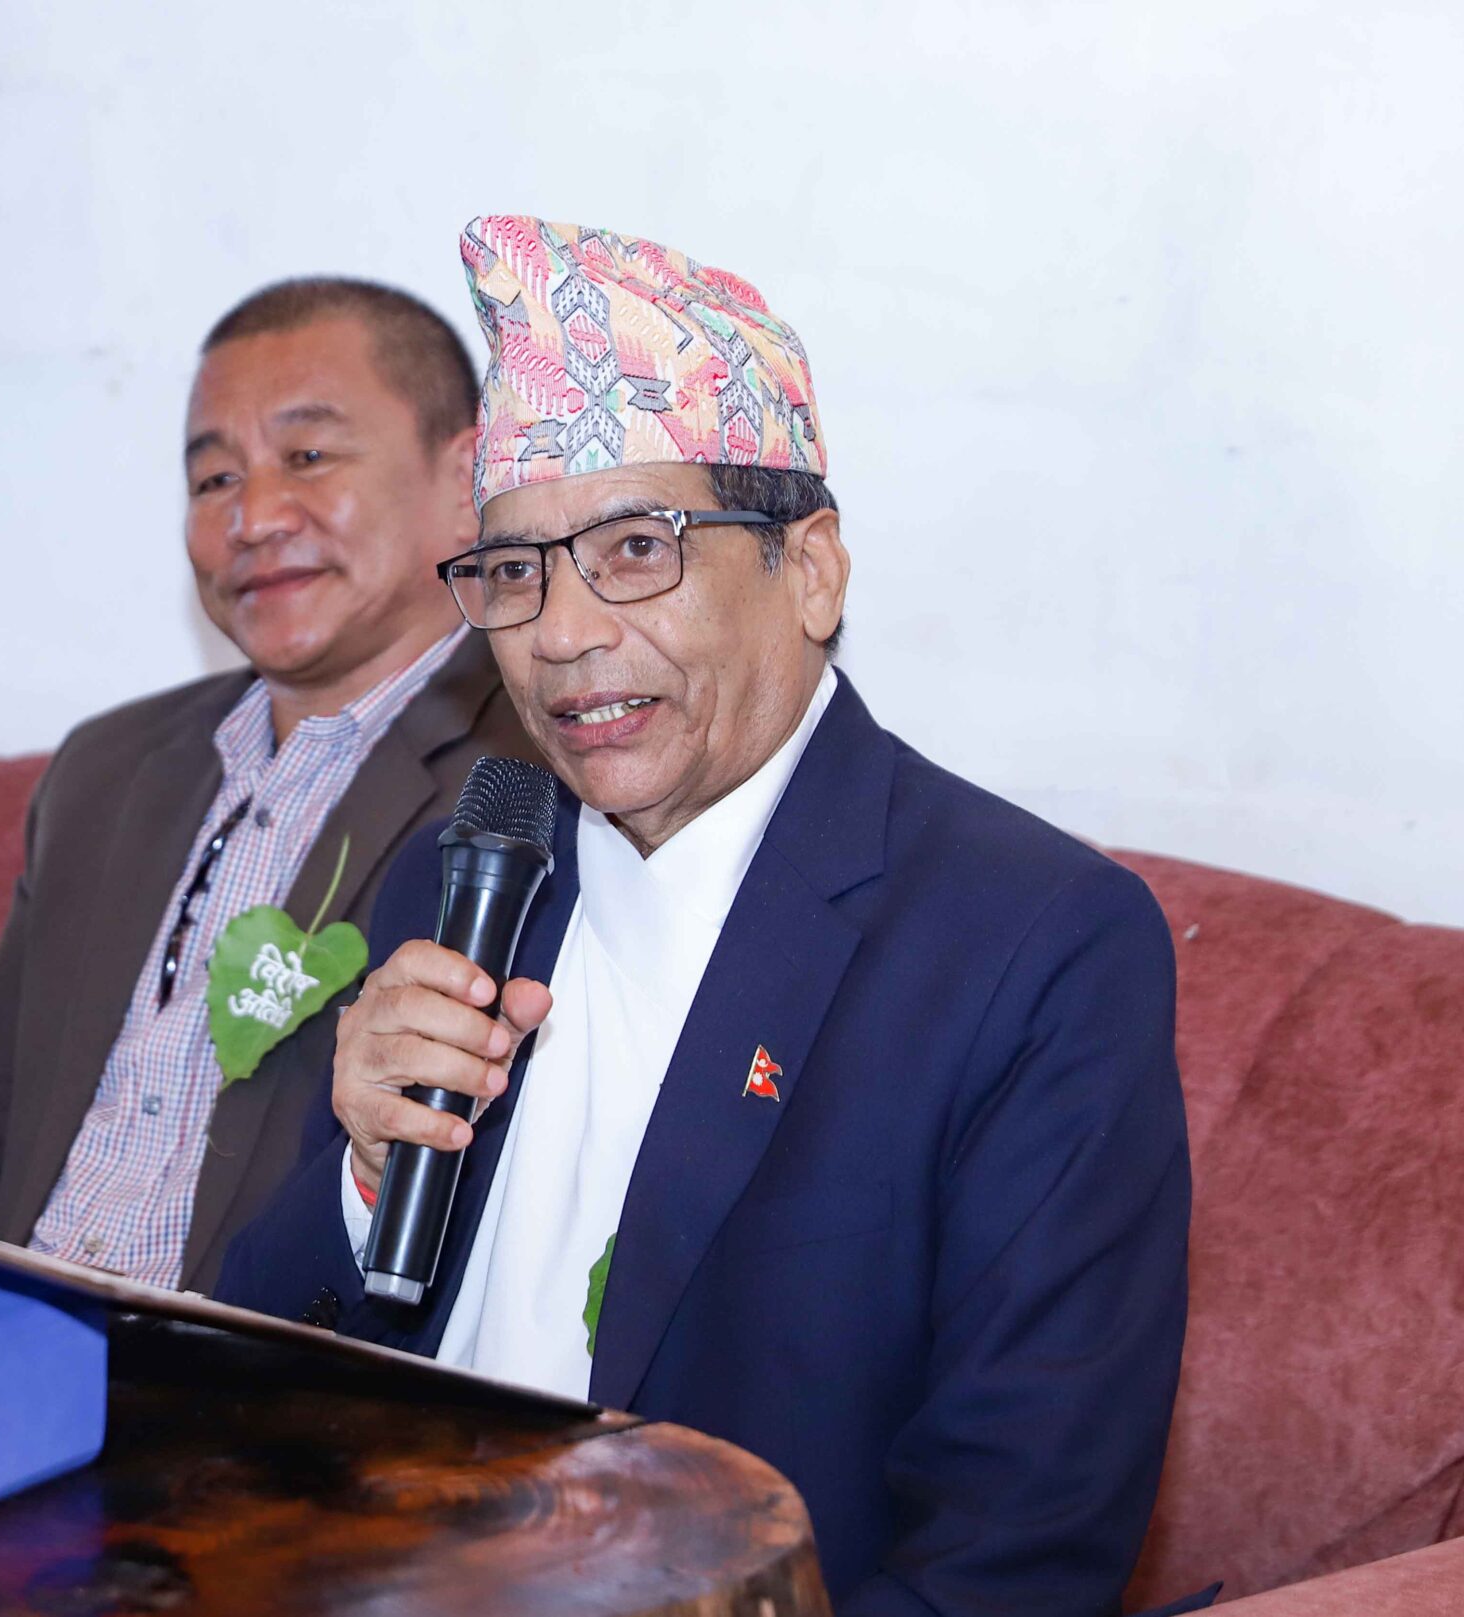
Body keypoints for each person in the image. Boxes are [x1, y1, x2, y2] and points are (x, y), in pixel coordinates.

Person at [218, 218, 1194, 1617]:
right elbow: (256, 1382)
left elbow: (1019, 1551)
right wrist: (367, 1176)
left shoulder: (1029, 946)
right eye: (515, 571)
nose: (561, 634)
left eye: (635, 547)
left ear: (811, 569)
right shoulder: (465, 876)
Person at [0, 278, 540, 1294]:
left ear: (466, 481)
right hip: (4, 1341)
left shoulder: (531, 784)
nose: (254, 516)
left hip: (253, 1366)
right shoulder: (110, 770)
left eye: (308, 457)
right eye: (214, 478)